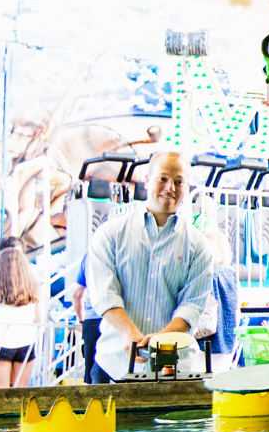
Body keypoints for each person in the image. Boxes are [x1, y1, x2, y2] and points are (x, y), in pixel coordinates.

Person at [85, 152, 215, 381]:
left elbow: (193, 304)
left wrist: (159, 342)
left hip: (175, 370)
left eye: (178, 181)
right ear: (147, 180)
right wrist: (128, 332)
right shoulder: (110, 233)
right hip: (114, 366)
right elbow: (103, 293)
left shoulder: (199, 246)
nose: (170, 187)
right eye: (163, 178)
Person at [0, 245, 42, 388]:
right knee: (21, 392)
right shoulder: (33, 287)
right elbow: (38, 319)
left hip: (1, 341)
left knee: (1, 392)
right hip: (26, 342)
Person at [202, 227, 240, 364]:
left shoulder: (200, 273)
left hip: (201, 342)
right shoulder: (231, 273)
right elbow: (236, 308)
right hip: (227, 340)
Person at [70, 256, 103, 383]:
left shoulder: (89, 256)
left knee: (90, 370)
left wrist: (80, 319)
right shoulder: (123, 248)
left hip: (92, 318)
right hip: (119, 318)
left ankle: (91, 400)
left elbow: (77, 294)